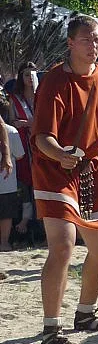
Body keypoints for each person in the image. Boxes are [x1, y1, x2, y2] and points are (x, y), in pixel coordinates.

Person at [31, 15, 98, 344]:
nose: (95, 45)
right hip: (55, 170)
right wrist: (60, 153)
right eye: (88, 39)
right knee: (62, 245)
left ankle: (86, 313)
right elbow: (42, 137)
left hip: (90, 170)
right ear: (71, 43)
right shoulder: (53, 82)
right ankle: (51, 328)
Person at [10, 62, 38, 236]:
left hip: (39, 143)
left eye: (32, 75)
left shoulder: (42, 95)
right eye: (26, 74)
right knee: (25, 185)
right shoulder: (15, 98)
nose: (29, 78)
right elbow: (13, 121)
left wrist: (29, 123)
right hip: (23, 144)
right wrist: (25, 124)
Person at [0, 104, 25, 250]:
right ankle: (4, 242)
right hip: (6, 180)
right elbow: (20, 155)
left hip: (6, 179)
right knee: (6, 214)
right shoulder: (12, 131)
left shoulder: (8, 130)